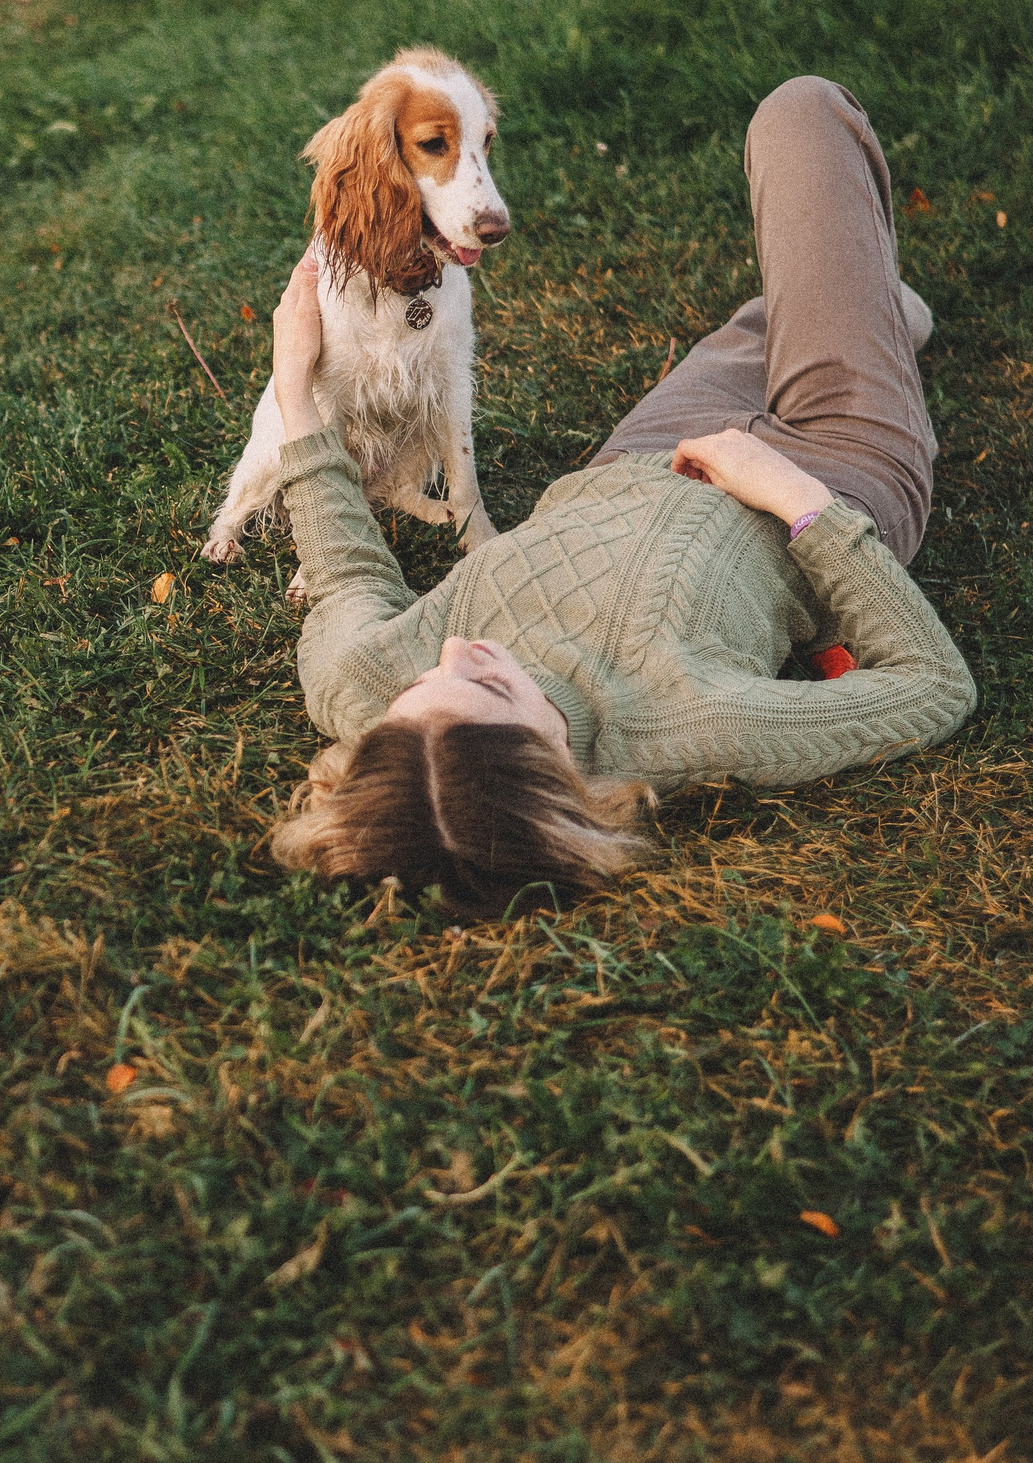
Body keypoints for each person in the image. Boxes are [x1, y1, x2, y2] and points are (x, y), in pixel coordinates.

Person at [263, 76, 977, 915]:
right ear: (557, 774)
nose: (457, 650)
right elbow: (934, 685)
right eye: (492, 688)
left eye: (419, 690)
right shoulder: (699, 729)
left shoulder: (368, 691)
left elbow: (348, 580)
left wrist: (295, 388)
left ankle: (876, 316)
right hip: (836, 462)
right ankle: (869, 327)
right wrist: (799, 502)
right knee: (801, 115)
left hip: (655, 446)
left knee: (808, 304)